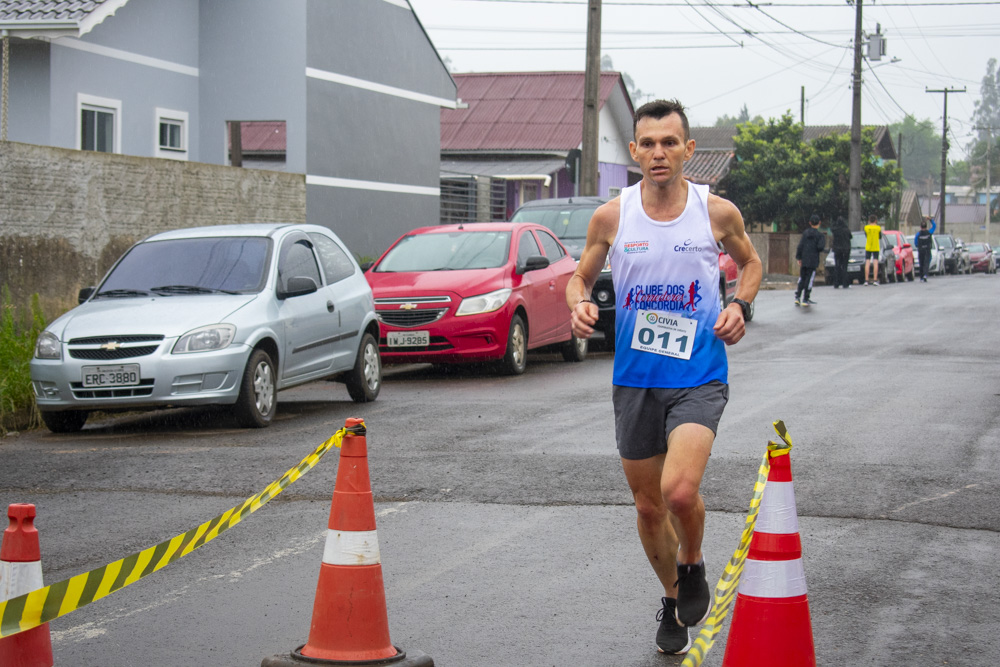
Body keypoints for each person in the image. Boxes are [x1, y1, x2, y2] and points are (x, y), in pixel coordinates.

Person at [565, 99, 762, 656]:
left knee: (679, 490)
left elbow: (750, 265)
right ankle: (675, 600)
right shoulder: (612, 215)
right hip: (635, 377)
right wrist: (579, 305)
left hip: (698, 371)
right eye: (648, 144)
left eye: (669, 143)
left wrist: (741, 306)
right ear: (633, 152)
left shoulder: (715, 212)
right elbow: (578, 278)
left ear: (688, 150)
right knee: (648, 505)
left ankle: (693, 560)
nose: (658, 153)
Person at [794, 214, 826, 306]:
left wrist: (799, 257)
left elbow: (800, 246)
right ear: (819, 223)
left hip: (804, 258)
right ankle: (806, 298)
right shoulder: (820, 236)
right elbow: (820, 247)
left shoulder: (805, 233)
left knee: (802, 277)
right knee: (809, 278)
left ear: (810, 223)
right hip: (813, 260)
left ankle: (797, 296)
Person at [831, 216, 852, 288]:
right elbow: (850, 236)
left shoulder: (835, 230)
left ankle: (836, 283)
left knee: (837, 265)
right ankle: (845, 283)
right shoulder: (846, 230)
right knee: (845, 266)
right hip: (846, 249)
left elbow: (832, 228)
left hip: (837, 249)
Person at [913, 217, 936, 282]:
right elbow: (934, 226)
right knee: (926, 263)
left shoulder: (918, 234)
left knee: (921, 263)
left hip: (921, 250)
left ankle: (921, 277)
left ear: (920, 227)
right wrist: (931, 220)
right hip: (927, 250)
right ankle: (925, 274)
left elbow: (915, 242)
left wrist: (918, 246)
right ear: (926, 226)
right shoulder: (929, 232)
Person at [863, 214, 883, 285]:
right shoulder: (878, 228)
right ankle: (875, 280)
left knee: (867, 263)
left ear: (869, 221)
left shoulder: (866, 227)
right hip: (876, 247)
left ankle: (866, 280)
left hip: (868, 247)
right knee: (875, 263)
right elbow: (880, 237)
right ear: (876, 220)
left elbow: (866, 235)